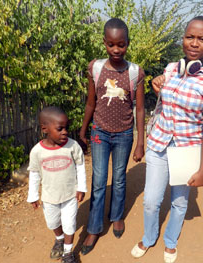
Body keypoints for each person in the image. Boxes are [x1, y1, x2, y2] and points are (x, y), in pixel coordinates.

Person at [131, 16, 203, 263]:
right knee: (151, 201)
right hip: (159, 142)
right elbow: (163, 97)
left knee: (179, 202)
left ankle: (170, 242)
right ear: (183, 38)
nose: (194, 43)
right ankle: (149, 238)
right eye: (189, 37)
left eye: (201, 39)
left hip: (187, 150)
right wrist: (155, 84)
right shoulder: (172, 68)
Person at [79, 18, 145, 255]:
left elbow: (139, 108)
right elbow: (90, 102)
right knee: (98, 180)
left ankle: (116, 216)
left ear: (128, 43)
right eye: (111, 45)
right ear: (104, 43)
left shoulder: (135, 72)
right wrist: (83, 130)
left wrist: (140, 141)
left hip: (125, 134)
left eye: (121, 45)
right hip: (99, 133)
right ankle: (94, 228)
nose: (116, 50)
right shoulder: (95, 68)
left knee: (118, 178)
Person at [27, 106, 87, 263]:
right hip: (49, 197)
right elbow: (34, 173)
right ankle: (59, 239)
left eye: (66, 128)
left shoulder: (73, 146)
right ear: (45, 129)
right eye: (60, 128)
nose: (65, 132)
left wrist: (81, 187)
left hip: (69, 195)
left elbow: (80, 166)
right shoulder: (37, 151)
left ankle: (68, 252)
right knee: (53, 222)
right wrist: (33, 195)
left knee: (69, 223)